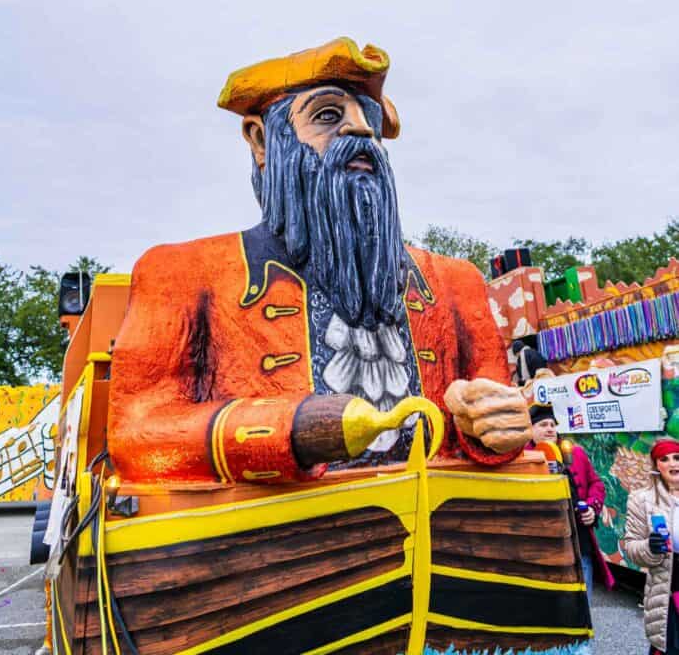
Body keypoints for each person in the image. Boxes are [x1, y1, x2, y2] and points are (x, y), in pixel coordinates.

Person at [107, 37, 531, 484]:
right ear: (261, 140)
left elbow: (500, 429)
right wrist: (290, 427)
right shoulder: (182, 274)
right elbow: (137, 433)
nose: (362, 131)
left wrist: (491, 425)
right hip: (279, 549)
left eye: (368, 120)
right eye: (328, 115)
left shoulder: (454, 283)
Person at [529, 402, 613, 593]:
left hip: (579, 540)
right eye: (543, 425)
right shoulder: (524, 458)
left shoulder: (575, 452)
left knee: (584, 598)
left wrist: (592, 507)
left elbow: (596, 484)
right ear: (530, 429)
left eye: (552, 425)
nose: (550, 429)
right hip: (544, 543)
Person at [624, 438, 679, 655]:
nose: (673, 464)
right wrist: (650, 547)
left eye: (677, 458)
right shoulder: (642, 499)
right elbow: (631, 546)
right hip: (668, 586)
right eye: (665, 459)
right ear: (657, 465)